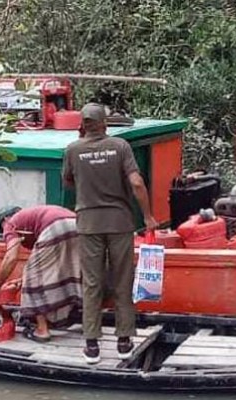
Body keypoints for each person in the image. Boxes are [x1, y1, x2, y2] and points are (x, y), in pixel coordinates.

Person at [62, 103, 159, 364]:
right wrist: (148, 217)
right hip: (119, 223)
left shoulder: (73, 149)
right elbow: (137, 182)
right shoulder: (120, 146)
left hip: (88, 224)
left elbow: (67, 181)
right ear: (105, 124)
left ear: (82, 125)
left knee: (92, 283)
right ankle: (124, 341)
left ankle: (91, 345)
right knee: (122, 280)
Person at [0, 205, 82, 342]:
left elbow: (11, 258)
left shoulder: (10, 223)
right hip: (78, 225)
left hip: (55, 226)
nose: (4, 234)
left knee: (32, 277)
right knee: (72, 270)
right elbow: (45, 266)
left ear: (5, 219)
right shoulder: (33, 218)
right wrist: (21, 280)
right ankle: (79, 317)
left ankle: (42, 330)